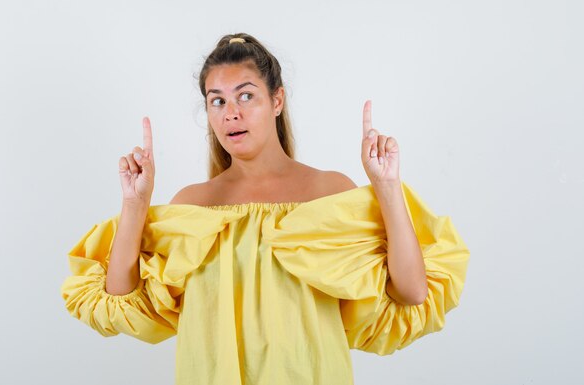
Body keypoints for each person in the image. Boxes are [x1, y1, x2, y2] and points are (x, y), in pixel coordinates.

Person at [60, 33, 470, 385]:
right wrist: (135, 203)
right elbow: (118, 299)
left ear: (277, 101)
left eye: (246, 95)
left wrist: (386, 186)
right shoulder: (195, 204)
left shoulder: (329, 191)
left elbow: (413, 293)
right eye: (216, 101)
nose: (231, 113)